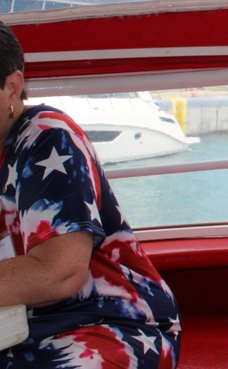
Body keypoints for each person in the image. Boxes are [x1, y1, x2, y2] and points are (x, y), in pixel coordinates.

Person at [0, 21, 180, 368]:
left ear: (12, 88)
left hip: (109, 322)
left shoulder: (47, 139)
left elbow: (59, 272)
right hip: (20, 322)